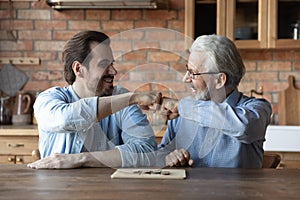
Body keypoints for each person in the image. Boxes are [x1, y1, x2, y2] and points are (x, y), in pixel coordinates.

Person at [27, 30, 161, 169]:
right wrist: (134, 98)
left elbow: (148, 150)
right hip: (57, 188)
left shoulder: (123, 98)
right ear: (79, 69)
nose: (113, 71)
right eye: (103, 64)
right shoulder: (48, 99)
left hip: (110, 189)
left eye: (112, 64)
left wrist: (82, 159)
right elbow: (65, 119)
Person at [156, 35, 272, 168]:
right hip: (190, 189)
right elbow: (160, 154)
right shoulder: (182, 112)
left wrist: (182, 107)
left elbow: (243, 127)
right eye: (187, 70)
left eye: (193, 73)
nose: (185, 79)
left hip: (238, 189)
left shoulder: (257, 109)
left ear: (219, 80)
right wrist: (168, 158)